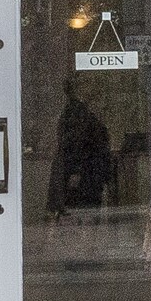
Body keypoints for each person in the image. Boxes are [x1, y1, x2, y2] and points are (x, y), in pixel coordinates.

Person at [47, 83, 111, 215]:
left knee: (78, 212)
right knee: (81, 211)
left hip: (82, 170)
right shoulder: (77, 113)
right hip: (83, 171)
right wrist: (76, 171)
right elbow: (76, 143)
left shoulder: (76, 112)